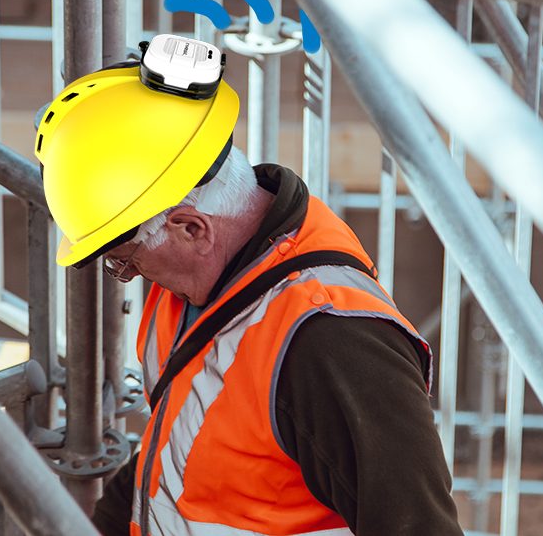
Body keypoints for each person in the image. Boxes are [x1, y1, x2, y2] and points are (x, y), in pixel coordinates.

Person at [35, 57, 462, 535]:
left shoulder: (332, 343)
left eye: (122, 256)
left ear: (191, 228)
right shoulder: (197, 283)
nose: (128, 272)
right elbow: (181, 434)